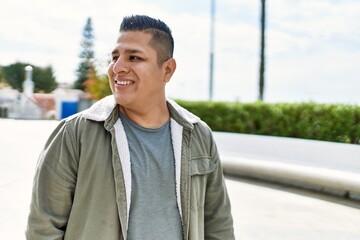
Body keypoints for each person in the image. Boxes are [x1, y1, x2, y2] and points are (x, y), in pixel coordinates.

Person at [26, 15, 234, 240]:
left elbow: (218, 224)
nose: (117, 67)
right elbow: (43, 228)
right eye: (115, 57)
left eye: (134, 57)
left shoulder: (198, 135)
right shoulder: (75, 133)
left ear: (167, 70)